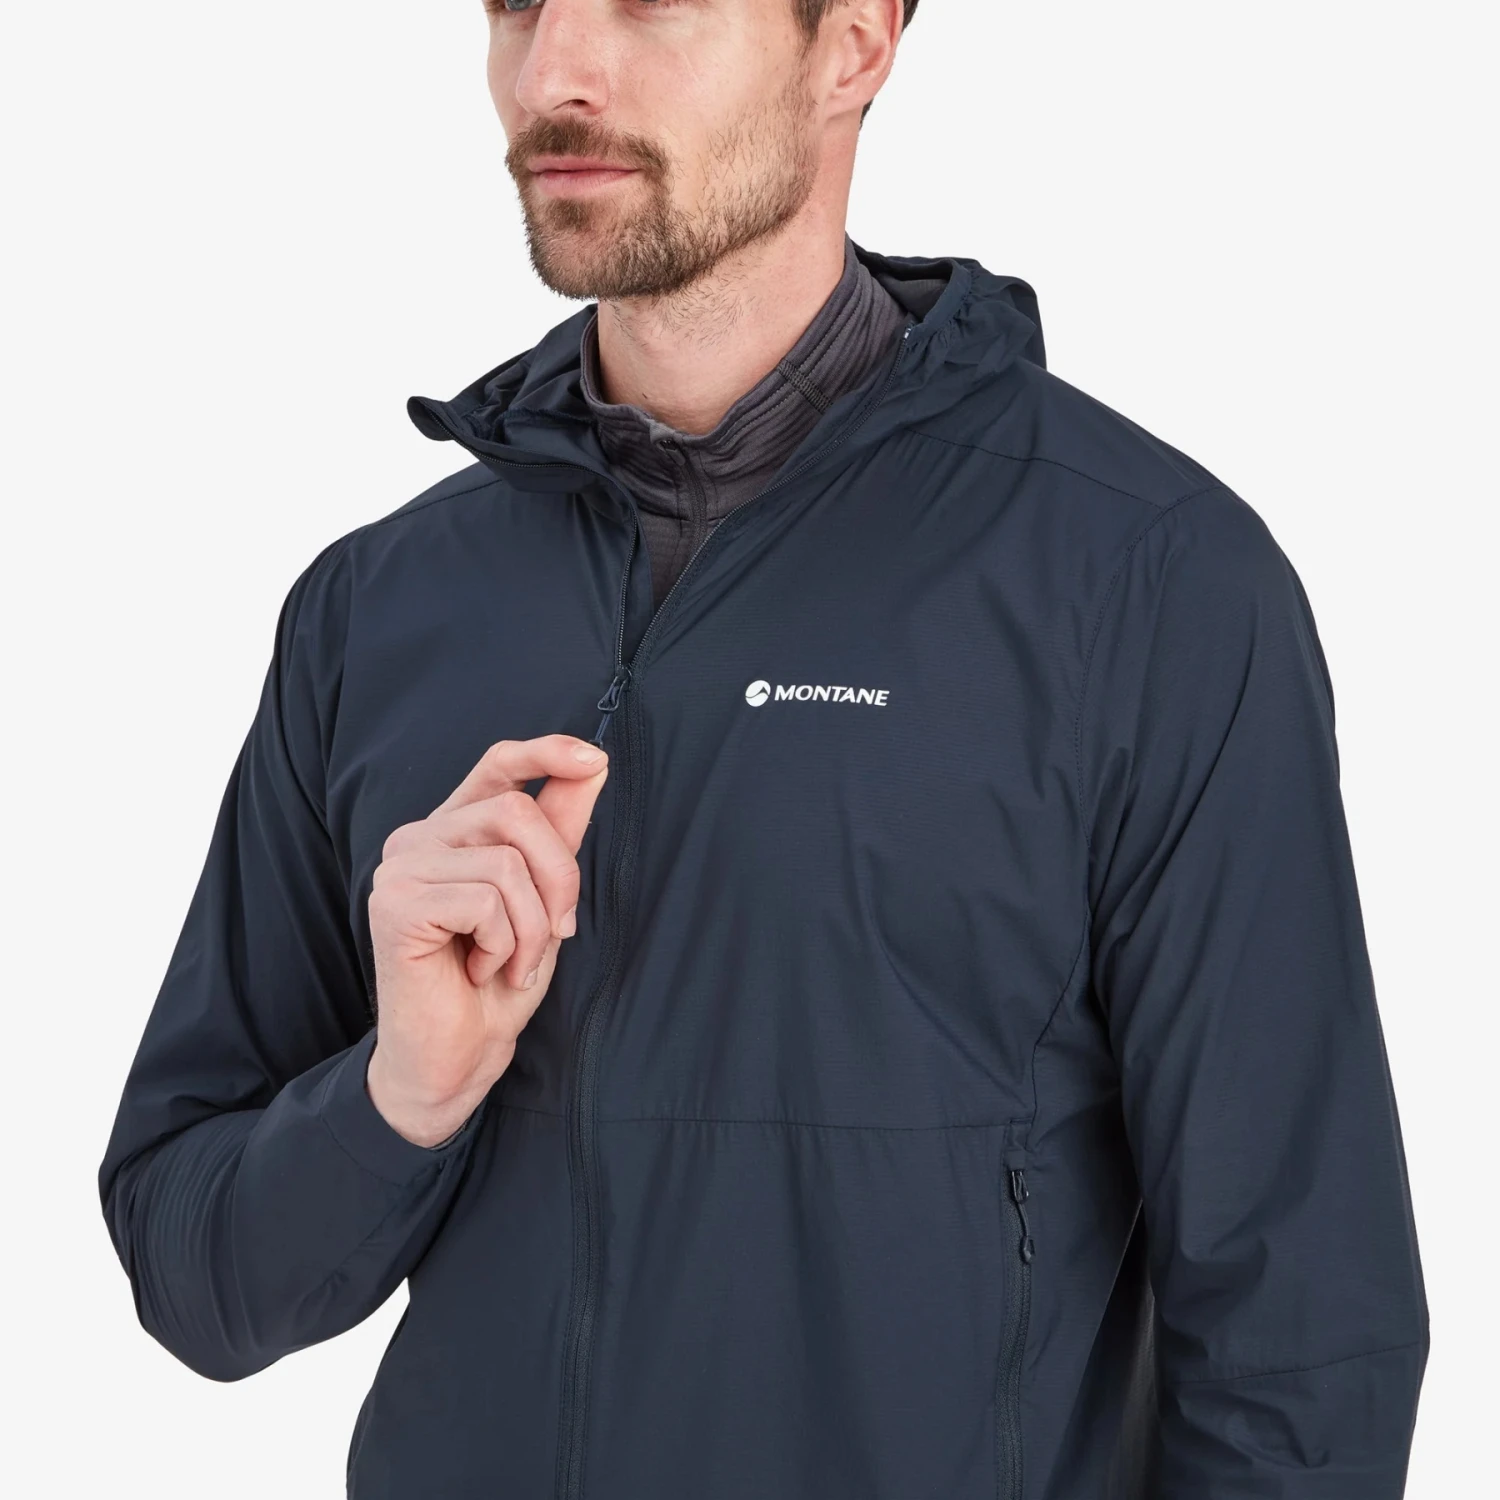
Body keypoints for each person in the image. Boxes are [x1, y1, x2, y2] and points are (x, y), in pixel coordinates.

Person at [99, 2, 1430, 1496]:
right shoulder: (380, 606)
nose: (553, 73)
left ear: (851, 45)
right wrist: (399, 1096)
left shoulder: (1146, 582)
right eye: (517, 2)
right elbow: (195, 1276)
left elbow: (1303, 1341)